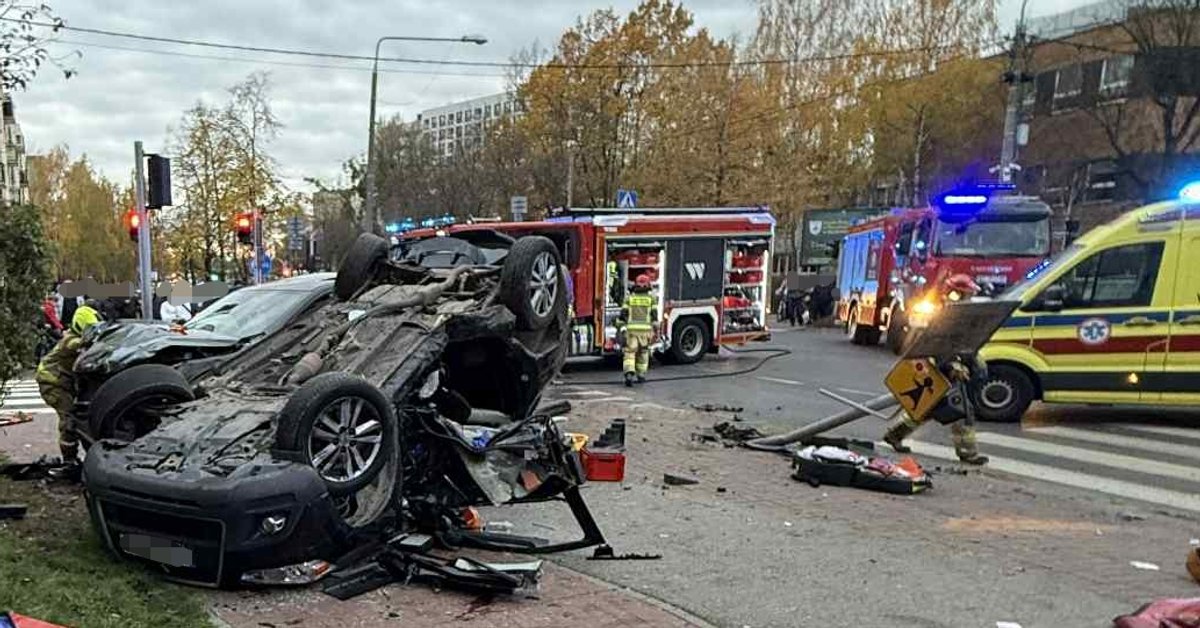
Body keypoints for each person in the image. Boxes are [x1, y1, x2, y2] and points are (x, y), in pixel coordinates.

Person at [881, 274, 989, 466]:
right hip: (939, 369)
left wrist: (974, 361)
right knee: (963, 412)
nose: (970, 298)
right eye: (967, 294)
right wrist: (952, 366)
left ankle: (894, 435)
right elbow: (933, 347)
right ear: (957, 294)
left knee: (926, 408)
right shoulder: (940, 317)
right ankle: (967, 452)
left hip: (947, 369)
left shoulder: (958, 316)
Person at [35, 304, 102, 479]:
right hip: (52, 382)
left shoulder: (76, 338)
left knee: (78, 416)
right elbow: (82, 347)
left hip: (64, 381)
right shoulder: (71, 342)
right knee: (69, 420)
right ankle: (69, 462)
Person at [617, 273, 658, 387]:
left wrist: (619, 325)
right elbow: (654, 316)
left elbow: (623, 314)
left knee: (630, 353)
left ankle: (629, 373)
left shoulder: (629, 298)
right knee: (643, 353)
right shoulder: (651, 299)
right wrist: (656, 329)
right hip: (645, 332)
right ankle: (641, 375)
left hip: (632, 331)